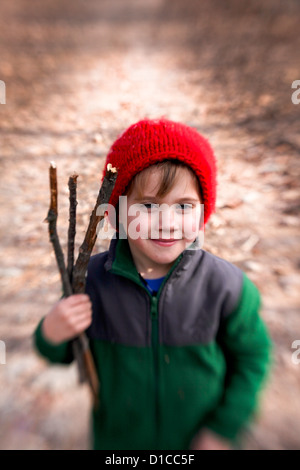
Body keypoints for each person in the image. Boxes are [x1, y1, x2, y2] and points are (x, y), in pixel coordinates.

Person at [33, 118, 272, 450]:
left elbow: (253, 358)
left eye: (183, 206)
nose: (167, 222)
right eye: (148, 205)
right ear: (115, 213)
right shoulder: (92, 283)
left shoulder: (225, 286)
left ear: (202, 211)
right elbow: (62, 353)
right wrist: (51, 332)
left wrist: (224, 427)